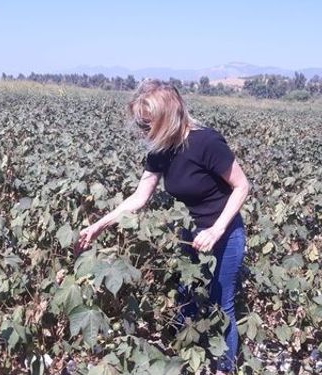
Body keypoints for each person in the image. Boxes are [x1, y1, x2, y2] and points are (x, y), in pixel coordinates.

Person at [75, 79, 250, 373]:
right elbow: (139, 197)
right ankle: (187, 360)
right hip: (189, 237)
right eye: (141, 124)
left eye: (148, 123)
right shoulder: (160, 149)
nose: (144, 130)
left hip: (224, 233)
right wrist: (99, 225)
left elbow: (242, 186)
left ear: (168, 117)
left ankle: (225, 367)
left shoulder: (207, 142)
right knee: (187, 297)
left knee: (222, 305)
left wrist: (216, 230)